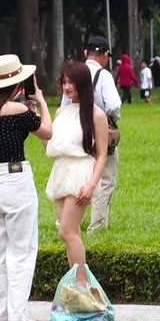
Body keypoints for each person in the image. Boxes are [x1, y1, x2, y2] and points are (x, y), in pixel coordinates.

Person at [0, 54, 50, 321]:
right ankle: (17, 313)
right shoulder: (19, 111)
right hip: (16, 178)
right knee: (22, 249)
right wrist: (39, 101)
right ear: (17, 84)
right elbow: (48, 133)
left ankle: (0, 313)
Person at [45, 59, 112, 276]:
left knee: (66, 232)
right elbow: (52, 146)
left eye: (71, 82)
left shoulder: (96, 115)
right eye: (64, 82)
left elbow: (101, 154)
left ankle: (82, 286)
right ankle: (77, 287)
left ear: (82, 83)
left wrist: (91, 185)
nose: (67, 87)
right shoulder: (61, 112)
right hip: (61, 172)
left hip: (81, 173)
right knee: (71, 233)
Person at [80, 35, 124, 231]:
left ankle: (65, 222)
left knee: (78, 175)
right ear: (106, 54)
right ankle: (96, 226)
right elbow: (114, 105)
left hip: (76, 130)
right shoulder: (103, 75)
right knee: (105, 178)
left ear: (85, 53)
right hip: (99, 132)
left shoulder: (74, 73)